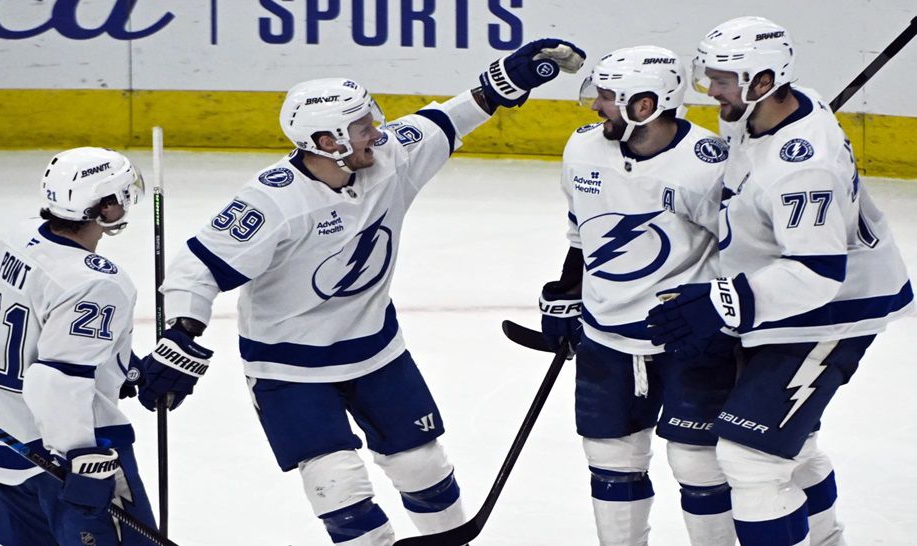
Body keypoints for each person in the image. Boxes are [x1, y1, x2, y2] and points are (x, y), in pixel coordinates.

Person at [135, 39, 586, 544]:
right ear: (327, 141)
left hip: (376, 351)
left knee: (424, 467)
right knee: (338, 486)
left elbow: (448, 119)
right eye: (362, 125)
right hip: (289, 367)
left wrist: (506, 81)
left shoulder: (390, 157)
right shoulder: (272, 203)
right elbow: (195, 269)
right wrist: (180, 336)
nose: (378, 130)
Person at [646, 16, 914, 546]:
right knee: (790, 442)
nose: (709, 89)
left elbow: (818, 273)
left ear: (764, 82)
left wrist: (724, 301)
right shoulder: (767, 110)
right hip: (787, 301)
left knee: (750, 458)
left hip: (835, 308)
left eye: (722, 79)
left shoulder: (803, 168)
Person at [539, 46, 737, 545]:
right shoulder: (583, 148)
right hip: (606, 337)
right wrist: (569, 290)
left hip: (689, 338)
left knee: (697, 460)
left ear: (645, 105)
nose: (595, 105)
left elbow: (747, 252)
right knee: (610, 461)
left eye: (607, 96)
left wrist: (727, 311)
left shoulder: (707, 167)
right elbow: (582, 232)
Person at [0, 147, 158, 545]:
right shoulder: (96, 282)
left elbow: (43, 330)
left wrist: (119, 366)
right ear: (105, 206)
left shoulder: (15, 238)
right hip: (65, 452)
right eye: (122, 194)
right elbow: (56, 381)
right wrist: (79, 457)